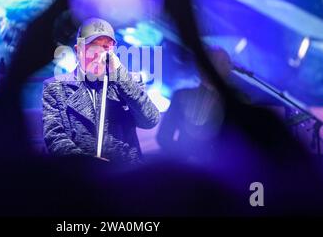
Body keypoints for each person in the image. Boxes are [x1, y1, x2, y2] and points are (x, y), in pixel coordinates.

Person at [42, 17, 160, 164]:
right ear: (79, 50)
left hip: (126, 177)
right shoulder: (55, 87)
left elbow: (150, 120)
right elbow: (55, 138)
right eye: (93, 47)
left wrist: (119, 74)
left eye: (106, 47)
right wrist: (87, 164)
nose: (100, 55)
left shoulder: (129, 81)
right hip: (79, 176)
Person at [156, 47, 232, 165]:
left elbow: (163, 137)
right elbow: (163, 137)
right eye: (216, 63)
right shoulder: (181, 95)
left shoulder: (181, 95)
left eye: (222, 63)